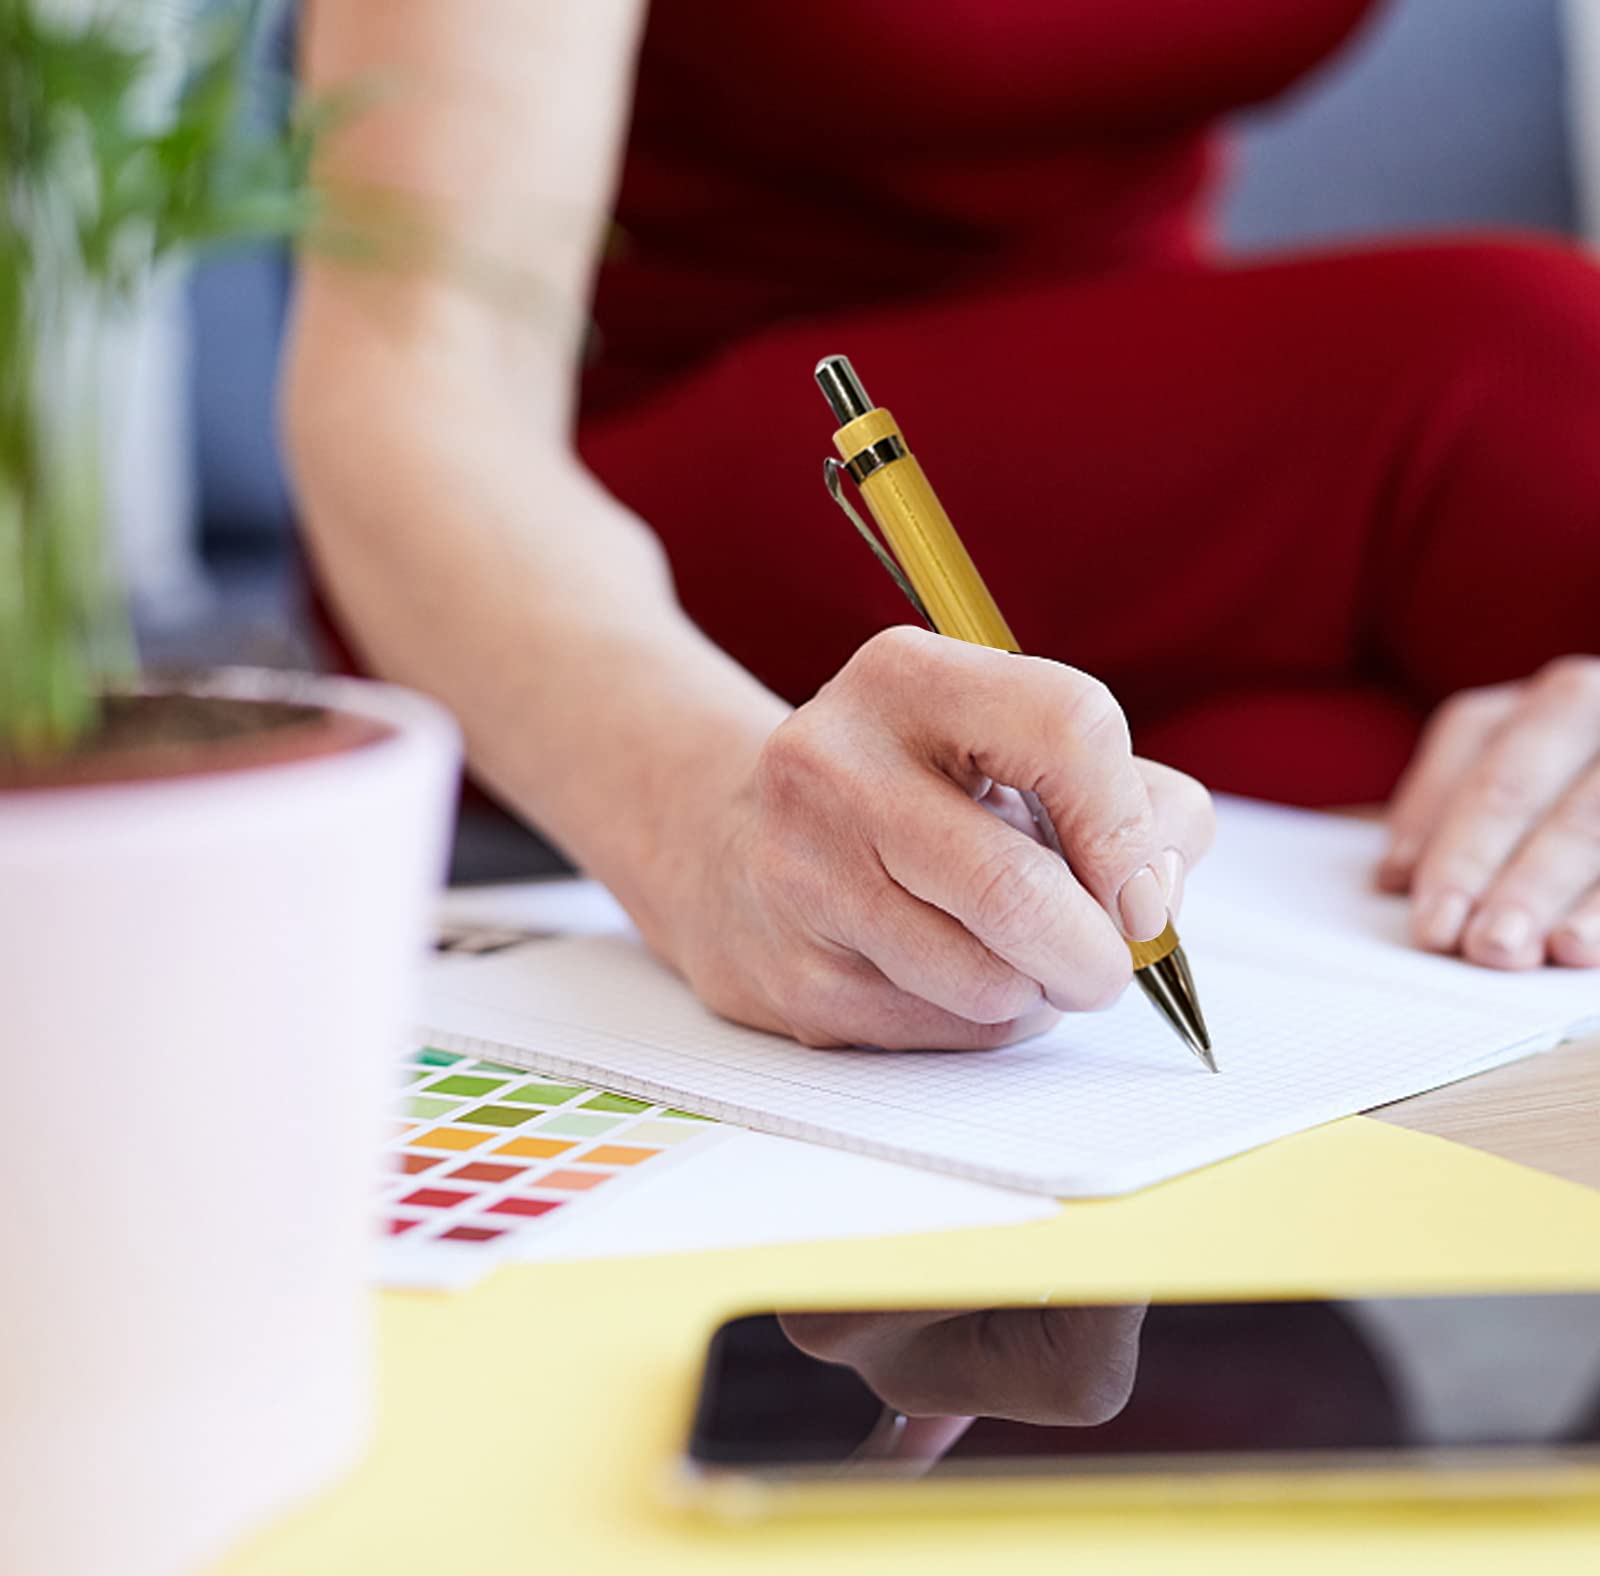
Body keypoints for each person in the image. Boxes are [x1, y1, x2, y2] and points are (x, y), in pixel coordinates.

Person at [286, 1, 1600, 1054]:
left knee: (1345, 773)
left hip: (1154, 459)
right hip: (569, 529)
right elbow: (416, 383)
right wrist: (708, 828)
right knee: (1531, 372)